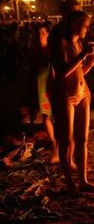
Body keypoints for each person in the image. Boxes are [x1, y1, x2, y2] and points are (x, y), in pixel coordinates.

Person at [48, 10, 94, 194]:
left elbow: (78, 72)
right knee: (66, 141)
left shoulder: (78, 43)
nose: (88, 28)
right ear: (76, 25)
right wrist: (83, 55)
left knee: (83, 139)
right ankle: (70, 184)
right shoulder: (60, 42)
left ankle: (83, 180)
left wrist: (89, 64)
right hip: (65, 96)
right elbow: (62, 73)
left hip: (82, 93)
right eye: (86, 24)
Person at [30, 23, 58, 164]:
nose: (40, 34)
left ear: (48, 33)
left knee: (56, 114)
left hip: (52, 83)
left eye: (43, 32)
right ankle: (54, 142)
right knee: (46, 115)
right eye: (38, 32)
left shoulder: (53, 49)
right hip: (41, 84)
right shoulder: (34, 50)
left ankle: (59, 146)